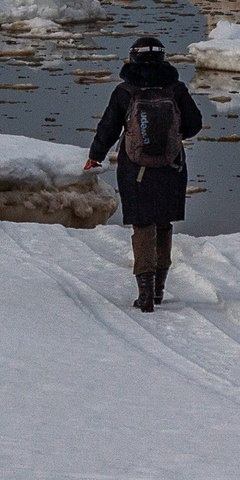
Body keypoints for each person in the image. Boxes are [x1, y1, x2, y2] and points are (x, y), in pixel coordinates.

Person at [84, 34, 203, 312]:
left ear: (133, 58)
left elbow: (108, 128)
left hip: (135, 169)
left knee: (143, 226)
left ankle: (145, 292)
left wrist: (95, 156)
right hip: (172, 167)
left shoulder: (125, 91)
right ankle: (159, 289)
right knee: (163, 224)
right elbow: (195, 124)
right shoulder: (176, 89)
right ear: (162, 57)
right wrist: (172, 135)